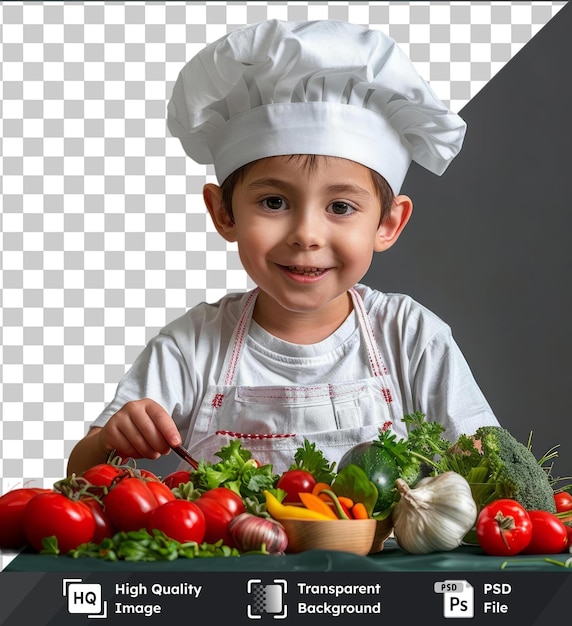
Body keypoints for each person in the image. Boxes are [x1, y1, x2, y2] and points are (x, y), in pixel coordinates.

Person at [67, 19, 499, 477]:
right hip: (234, 551)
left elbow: (486, 463)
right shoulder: (190, 347)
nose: (306, 234)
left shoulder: (411, 337)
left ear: (388, 223)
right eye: (274, 202)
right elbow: (79, 471)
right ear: (224, 213)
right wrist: (115, 438)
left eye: (340, 206)